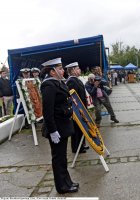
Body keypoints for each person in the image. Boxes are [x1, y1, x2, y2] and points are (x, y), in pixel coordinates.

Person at [40, 58, 79, 194]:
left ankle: (67, 181)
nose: (63, 70)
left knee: (63, 157)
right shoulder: (48, 85)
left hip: (63, 125)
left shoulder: (58, 83)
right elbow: (47, 111)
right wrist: (52, 131)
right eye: (60, 68)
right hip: (57, 127)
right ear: (52, 72)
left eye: (62, 68)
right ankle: (62, 186)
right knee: (58, 158)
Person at [65, 62, 89, 153]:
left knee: (81, 128)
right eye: (77, 68)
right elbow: (72, 97)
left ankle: (81, 145)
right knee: (76, 129)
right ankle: (76, 148)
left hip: (81, 108)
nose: (79, 70)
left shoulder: (76, 79)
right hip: (76, 109)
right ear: (72, 70)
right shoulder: (71, 81)